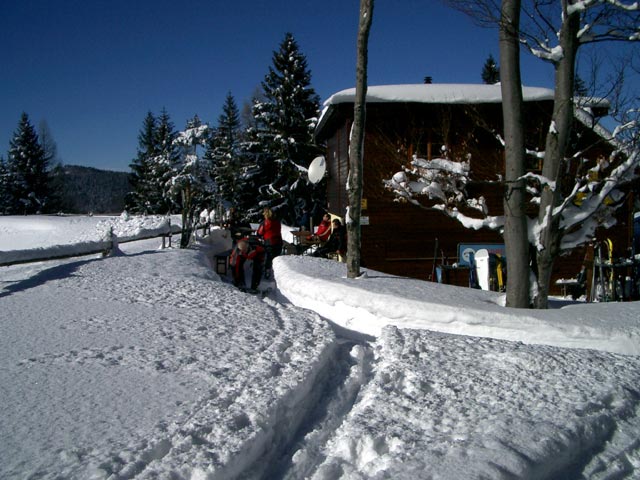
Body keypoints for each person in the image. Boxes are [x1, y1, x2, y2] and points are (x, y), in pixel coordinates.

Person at [256, 207, 283, 277]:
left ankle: (267, 272)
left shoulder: (265, 223)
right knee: (276, 258)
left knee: (268, 258)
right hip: (279, 242)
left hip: (269, 242)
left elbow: (259, 233)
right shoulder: (277, 222)